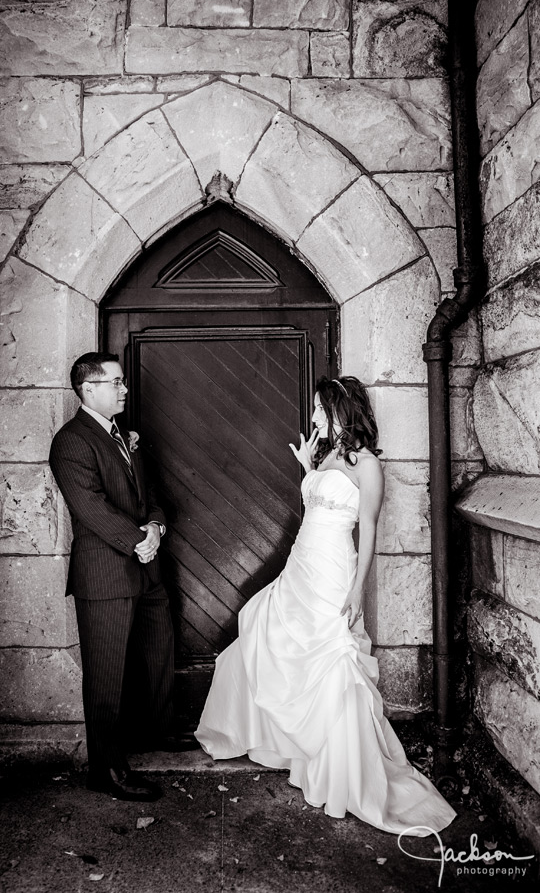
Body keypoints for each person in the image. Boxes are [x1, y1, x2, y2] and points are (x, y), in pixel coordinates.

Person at [195, 375, 456, 836]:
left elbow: (368, 530)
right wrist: (306, 467)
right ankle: (293, 743)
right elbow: (318, 502)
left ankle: (342, 774)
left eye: (319, 408)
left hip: (334, 568)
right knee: (263, 627)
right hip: (301, 565)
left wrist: (358, 590)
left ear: (340, 409)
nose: (313, 416)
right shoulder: (328, 454)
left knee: (332, 659)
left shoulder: (367, 464)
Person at [49, 352, 182, 803]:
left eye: (123, 382)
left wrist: (157, 526)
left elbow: (151, 496)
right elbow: (89, 507)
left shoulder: (124, 436)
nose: (125, 389)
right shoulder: (71, 441)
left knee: (157, 651)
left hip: (147, 568)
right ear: (89, 389)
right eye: (117, 382)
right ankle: (106, 770)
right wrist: (138, 541)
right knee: (105, 675)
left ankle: (157, 732)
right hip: (105, 575)